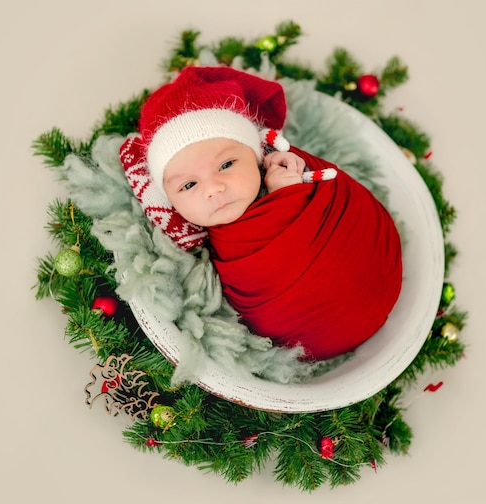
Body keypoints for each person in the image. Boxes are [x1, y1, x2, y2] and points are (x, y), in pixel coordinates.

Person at [120, 65, 402, 361]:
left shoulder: (286, 169)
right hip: (299, 329)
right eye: (189, 185)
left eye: (226, 165)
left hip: (368, 268)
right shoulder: (189, 242)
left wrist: (288, 190)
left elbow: (331, 199)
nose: (213, 188)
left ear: (256, 157)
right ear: (171, 203)